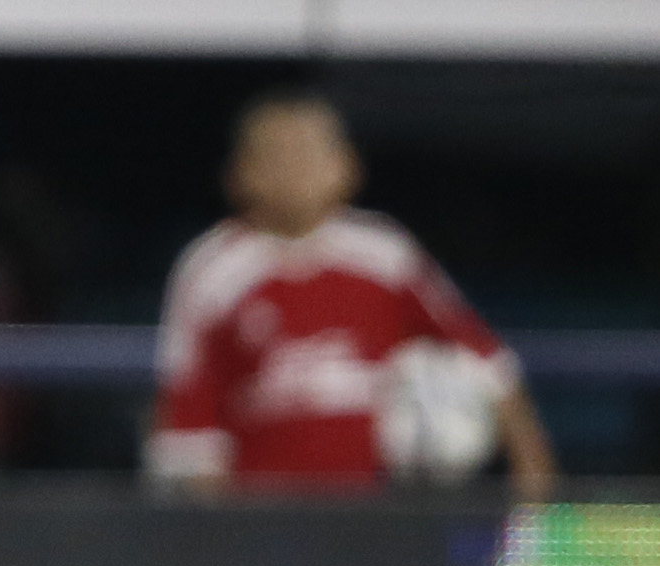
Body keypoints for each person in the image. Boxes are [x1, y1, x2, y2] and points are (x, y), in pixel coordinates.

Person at [150, 91, 555, 494]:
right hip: (258, 516)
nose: (296, 170)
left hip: (376, 514)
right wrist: (212, 531)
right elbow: (188, 417)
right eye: (277, 155)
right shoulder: (210, 269)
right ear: (239, 174)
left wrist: (533, 471)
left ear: (346, 166)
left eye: (310, 152)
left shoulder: (384, 254)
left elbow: (485, 360)